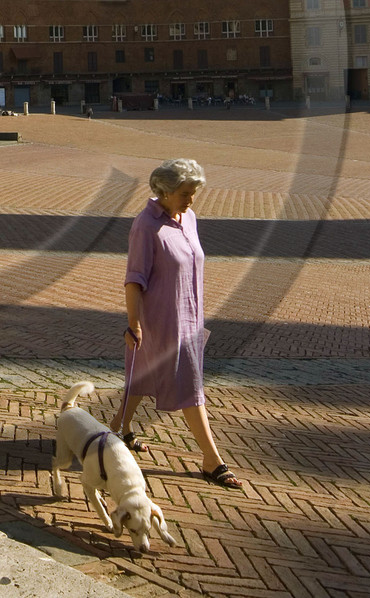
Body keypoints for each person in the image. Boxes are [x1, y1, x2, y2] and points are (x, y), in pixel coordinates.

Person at [109, 157, 244, 490]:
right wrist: (134, 323)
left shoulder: (189, 218)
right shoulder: (145, 226)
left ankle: (114, 433)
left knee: (143, 378)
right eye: (185, 193)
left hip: (190, 319)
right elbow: (134, 279)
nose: (191, 199)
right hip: (160, 322)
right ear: (165, 192)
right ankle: (211, 459)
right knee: (190, 386)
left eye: (194, 192)